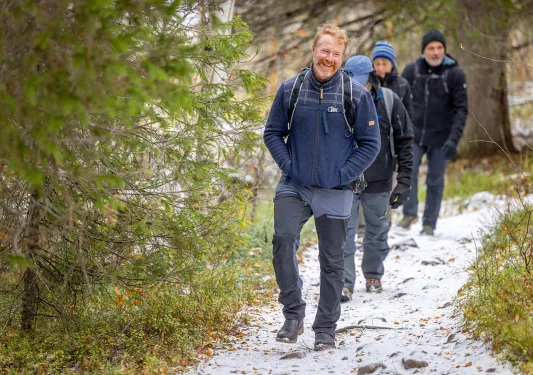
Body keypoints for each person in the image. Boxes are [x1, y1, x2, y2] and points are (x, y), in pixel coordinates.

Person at [263, 23, 380, 350]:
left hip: (336, 189)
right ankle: (293, 313)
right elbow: (272, 132)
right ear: (314, 50)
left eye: (336, 53)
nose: (329, 58)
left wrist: (343, 174)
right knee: (283, 239)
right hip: (295, 185)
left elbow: (370, 144)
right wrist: (290, 166)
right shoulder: (291, 89)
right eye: (324, 50)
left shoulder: (356, 94)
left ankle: (325, 328)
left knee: (332, 261)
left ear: (342, 57)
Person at [341, 56, 413, 300]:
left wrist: (403, 182)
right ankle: (344, 283)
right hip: (344, 181)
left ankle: (373, 274)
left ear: (372, 78)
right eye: (355, 83)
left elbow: (405, 142)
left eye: (364, 83)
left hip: (380, 180)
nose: (361, 88)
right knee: (342, 233)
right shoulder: (337, 101)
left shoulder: (390, 101)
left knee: (377, 231)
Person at [398, 29, 468, 235]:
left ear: (445, 50)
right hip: (415, 135)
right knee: (408, 173)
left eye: (440, 48)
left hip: (442, 137)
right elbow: (399, 104)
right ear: (424, 51)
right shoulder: (412, 70)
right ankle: (409, 214)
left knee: (435, 181)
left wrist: (454, 139)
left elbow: (461, 109)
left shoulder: (455, 73)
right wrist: (400, 132)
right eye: (431, 48)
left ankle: (429, 224)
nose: (436, 52)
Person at [356, 40, 415, 243]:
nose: (380, 67)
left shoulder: (401, 86)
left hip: (389, 149)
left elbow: (408, 120)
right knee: (363, 189)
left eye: (384, 63)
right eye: (377, 63)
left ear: (392, 64)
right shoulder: (362, 85)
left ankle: (381, 230)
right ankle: (363, 231)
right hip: (368, 150)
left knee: (384, 191)